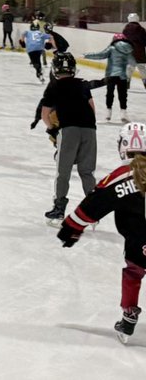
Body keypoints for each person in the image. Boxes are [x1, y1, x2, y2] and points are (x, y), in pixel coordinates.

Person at [57, 121, 146, 343]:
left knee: (134, 272)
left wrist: (71, 228)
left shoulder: (121, 176)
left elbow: (93, 205)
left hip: (140, 245)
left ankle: (128, 318)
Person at [40, 51, 97, 223]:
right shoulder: (83, 84)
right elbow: (92, 109)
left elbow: (45, 114)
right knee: (87, 171)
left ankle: (58, 210)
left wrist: (52, 130)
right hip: (89, 130)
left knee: (62, 172)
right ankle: (94, 210)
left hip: (69, 130)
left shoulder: (53, 86)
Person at [86, 33, 138, 123]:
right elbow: (132, 62)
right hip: (123, 76)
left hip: (111, 75)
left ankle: (108, 114)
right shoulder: (129, 49)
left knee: (110, 93)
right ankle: (123, 114)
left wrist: (87, 55)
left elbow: (101, 55)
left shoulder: (112, 48)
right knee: (123, 95)